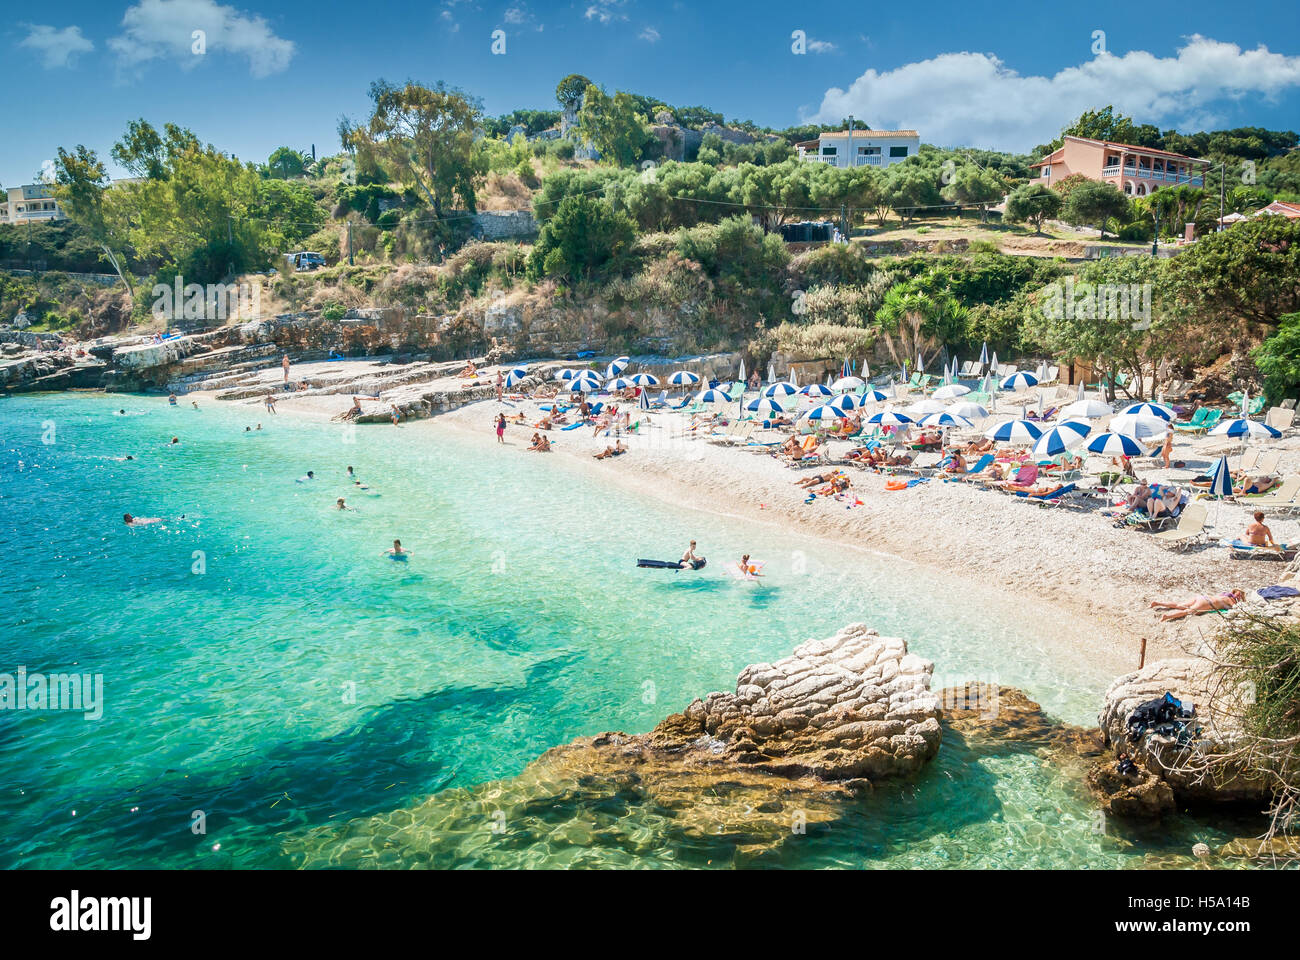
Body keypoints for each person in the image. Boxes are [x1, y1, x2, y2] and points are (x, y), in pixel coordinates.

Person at [1149, 589, 1245, 622]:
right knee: (1187, 611)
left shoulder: (1224, 594)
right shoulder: (1230, 599)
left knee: (1180, 605)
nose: (1239, 596)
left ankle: (1157, 603)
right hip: (1207, 603)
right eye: (1239, 594)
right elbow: (1237, 608)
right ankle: (1167, 617)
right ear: (1236, 594)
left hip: (1203, 598)